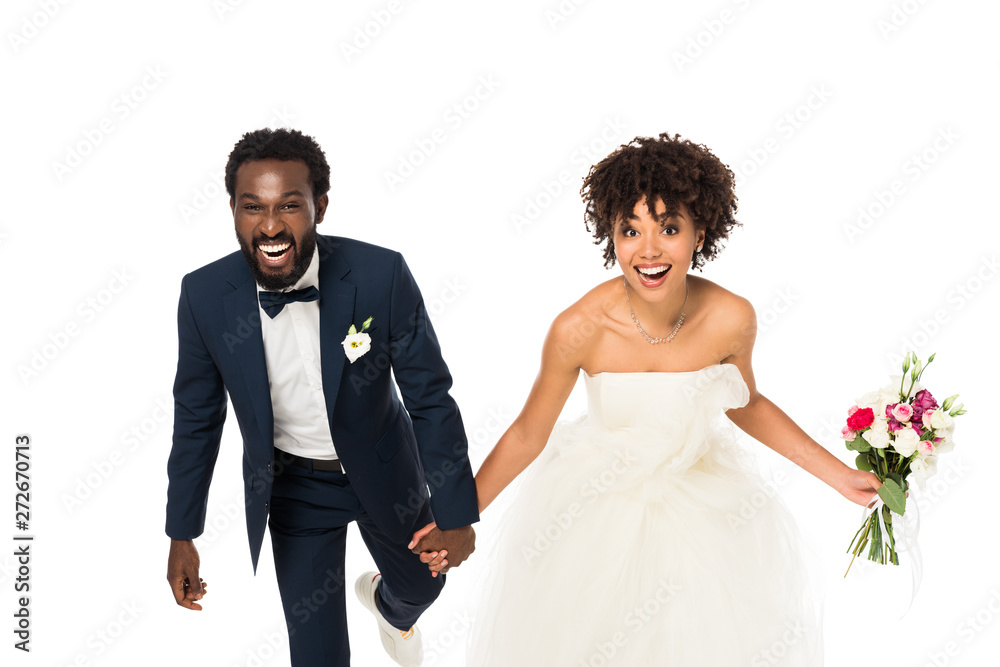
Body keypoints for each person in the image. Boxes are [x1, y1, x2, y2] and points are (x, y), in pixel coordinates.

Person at [411, 133, 881, 665]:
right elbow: (527, 434)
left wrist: (840, 476)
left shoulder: (731, 317)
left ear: (700, 234)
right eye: (630, 231)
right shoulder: (578, 328)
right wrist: (457, 516)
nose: (649, 250)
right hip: (597, 512)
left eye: (670, 229)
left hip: (703, 508)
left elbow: (747, 404)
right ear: (611, 237)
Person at [164, 128, 478, 667]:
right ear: (233, 212)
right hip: (293, 489)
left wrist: (457, 511)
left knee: (424, 588)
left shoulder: (380, 275)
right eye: (251, 207)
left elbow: (430, 395)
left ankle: (388, 606)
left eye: (289, 205)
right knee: (316, 655)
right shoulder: (203, 295)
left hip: (384, 469)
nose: (269, 225)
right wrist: (182, 532)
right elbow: (197, 418)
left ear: (320, 207)